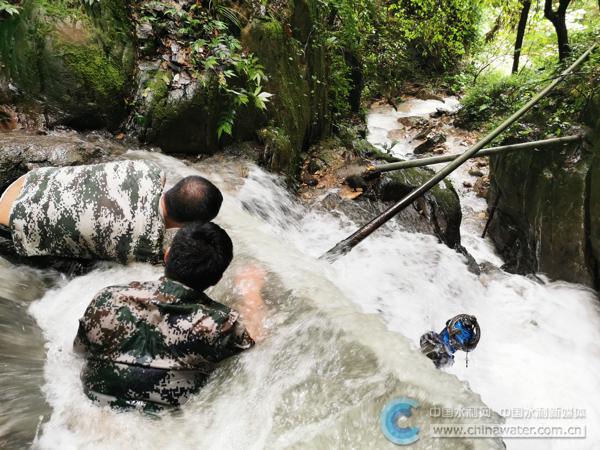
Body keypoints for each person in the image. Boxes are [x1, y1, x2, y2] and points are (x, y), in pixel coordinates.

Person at [74, 222, 265, 411]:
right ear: (217, 279)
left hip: (90, 407)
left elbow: (79, 351)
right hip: (164, 421)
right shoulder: (218, 324)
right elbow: (255, 344)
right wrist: (252, 292)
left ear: (166, 255)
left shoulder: (108, 298)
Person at [0, 160, 222, 264]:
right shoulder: (147, 247)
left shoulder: (148, 169)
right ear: (190, 225)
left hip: (27, 182)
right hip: (11, 223)